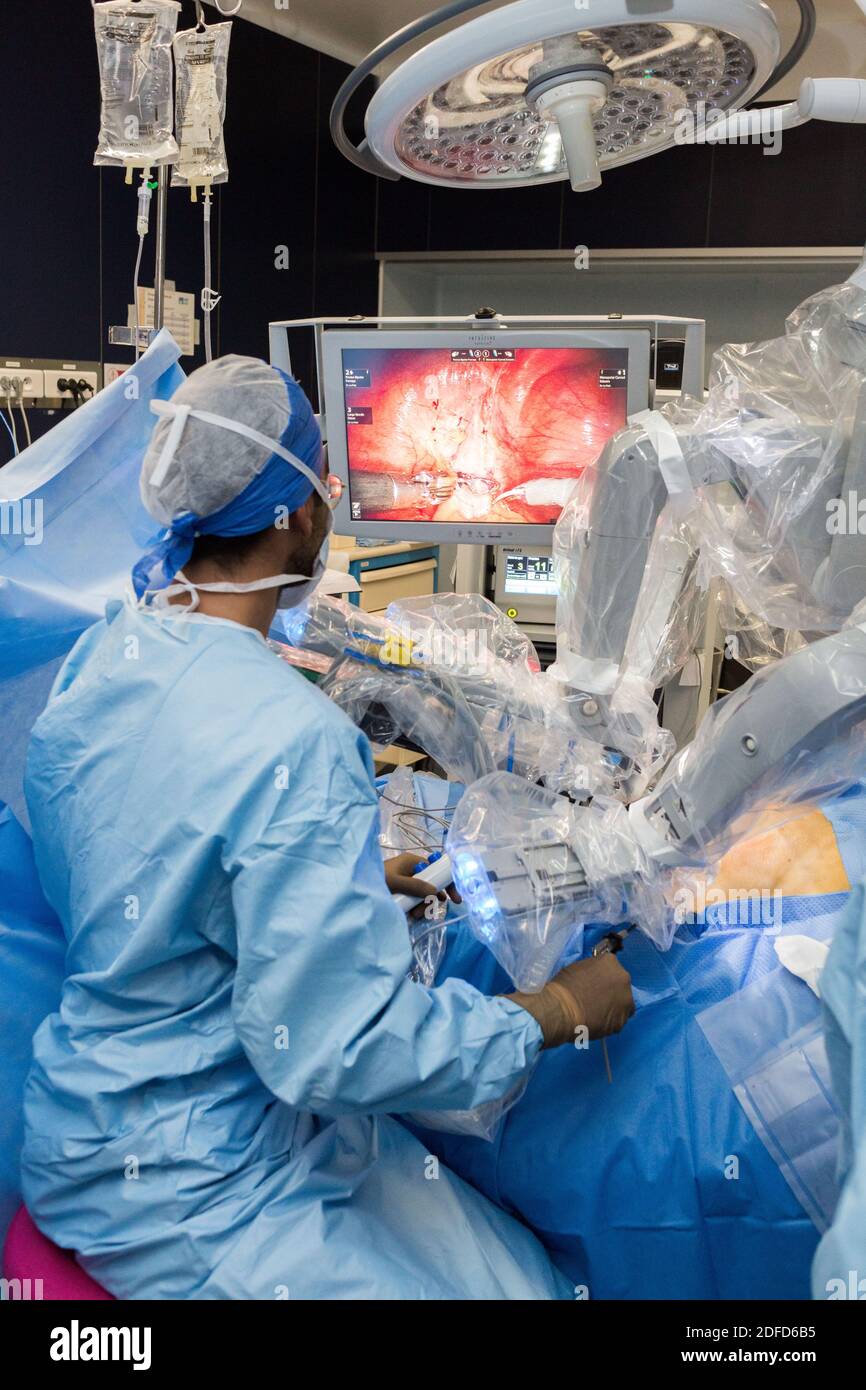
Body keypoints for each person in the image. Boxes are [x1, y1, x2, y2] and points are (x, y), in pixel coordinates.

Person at [20, 356, 634, 1301]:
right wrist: (554, 1012)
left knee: (508, 1272)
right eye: (325, 482)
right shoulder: (295, 737)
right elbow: (345, 1050)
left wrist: (317, 884)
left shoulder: (104, 657)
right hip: (191, 1191)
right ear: (300, 513)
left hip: (92, 1117)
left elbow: (129, 860)